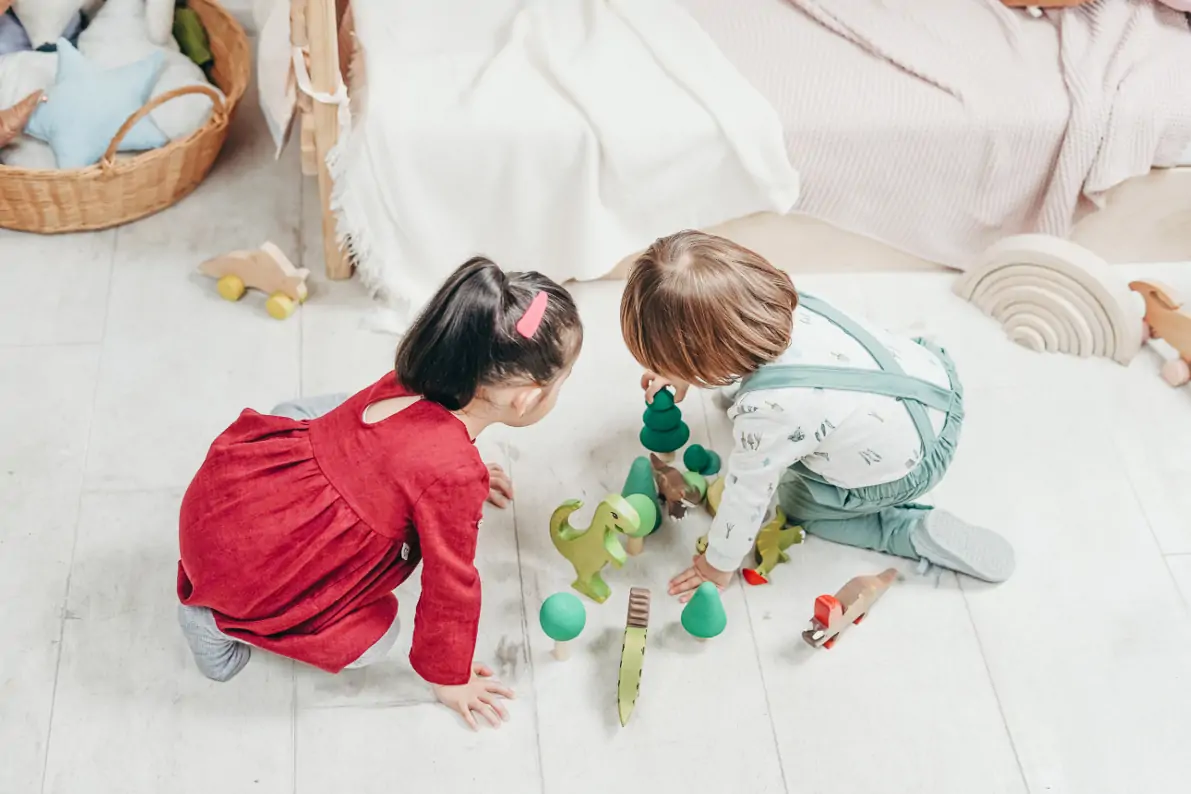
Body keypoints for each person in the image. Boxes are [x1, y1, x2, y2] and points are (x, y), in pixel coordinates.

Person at [176, 257, 582, 730]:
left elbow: (408, 456)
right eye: (561, 384)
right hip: (252, 575)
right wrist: (447, 677)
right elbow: (451, 586)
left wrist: (460, 474)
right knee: (378, 634)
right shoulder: (452, 475)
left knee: (307, 411)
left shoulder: (415, 378)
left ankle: (223, 592)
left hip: (229, 499)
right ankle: (215, 621)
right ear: (527, 398)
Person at [618, 230, 1014, 601]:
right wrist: (685, 368)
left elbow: (747, 497)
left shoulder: (769, 410)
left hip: (911, 466)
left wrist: (717, 566)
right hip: (934, 388)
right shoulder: (791, 302)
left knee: (797, 504)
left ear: (698, 359)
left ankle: (905, 531)